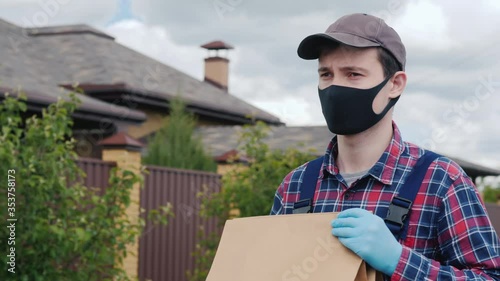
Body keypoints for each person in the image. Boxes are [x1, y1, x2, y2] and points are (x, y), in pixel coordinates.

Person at [270, 13, 500, 280]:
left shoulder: (442, 181)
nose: (335, 87)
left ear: (395, 84)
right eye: (326, 74)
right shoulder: (295, 186)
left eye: (353, 74)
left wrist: (399, 261)